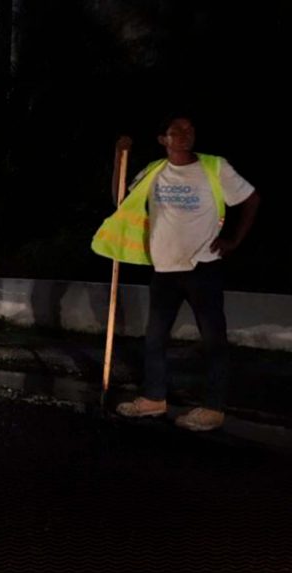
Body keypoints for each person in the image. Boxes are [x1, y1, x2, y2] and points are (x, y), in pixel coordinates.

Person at [99, 116, 260, 431]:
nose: (185, 135)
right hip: (165, 268)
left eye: (190, 130)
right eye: (177, 131)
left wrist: (235, 241)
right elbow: (121, 199)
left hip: (204, 265)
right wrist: (120, 158)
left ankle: (214, 407)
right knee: (155, 338)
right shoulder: (155, 171)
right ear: (163, 139)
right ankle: (154, 399)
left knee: (214, 340)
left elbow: (252, 200)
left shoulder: (215, 166)